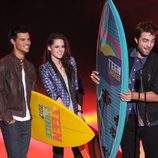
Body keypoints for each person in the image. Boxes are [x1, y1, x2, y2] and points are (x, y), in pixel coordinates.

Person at [90, 21, 158, 158]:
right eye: (145, 40)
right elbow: (107, 75)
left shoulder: (156, 62)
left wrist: (133, 95)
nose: (149, 45)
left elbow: (157, 95)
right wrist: (97, 77)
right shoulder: (121, 57)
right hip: (125, 120)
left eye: (152, 41)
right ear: (136, 39)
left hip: (150, 122)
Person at [39, 33, 84, 158]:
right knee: (58, 152)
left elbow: (76, 87)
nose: (60, 50)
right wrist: (67, 116)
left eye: (62, 47)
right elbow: (52, 93)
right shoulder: (45, 69)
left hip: (74, 110)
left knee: (78, 149)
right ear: (49, 48)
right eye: (57, 46)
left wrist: (79, 111)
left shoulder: (71, 62)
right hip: (58, 113)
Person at [0, 25, 37, 158]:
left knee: (22, 155)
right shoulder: (3, 64)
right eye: (23, 39)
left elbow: (34, 94)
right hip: (12, 119)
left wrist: (34, 116)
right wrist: (7, 117)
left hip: (27, 120)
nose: (27, 43)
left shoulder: (30, 67)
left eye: (28, 39)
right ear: (13, 41)